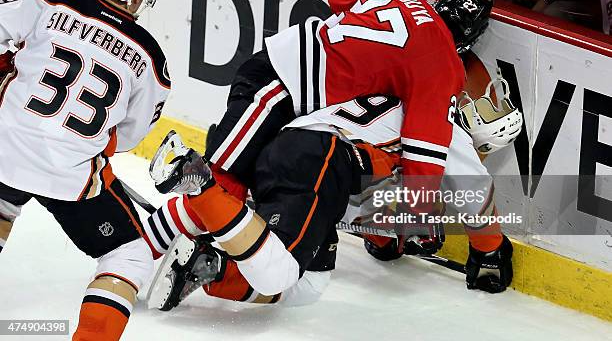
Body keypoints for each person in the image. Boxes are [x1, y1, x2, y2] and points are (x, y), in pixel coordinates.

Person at [143, 78, 518, 309]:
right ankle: (199, 183)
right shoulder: (445, 127)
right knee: (281, 271)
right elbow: (476, 198)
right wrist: (490, 252)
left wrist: (390, 239)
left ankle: (198, 263)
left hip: (299, 152)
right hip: (320, 163)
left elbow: (367, 199)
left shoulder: (410, 94)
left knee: (309, 285)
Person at [0, 0, 169, 341]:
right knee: (130, 252)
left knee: (2, 202)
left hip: (5, 146)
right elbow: (128, 136)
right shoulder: (151, 59)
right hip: (70, 175)